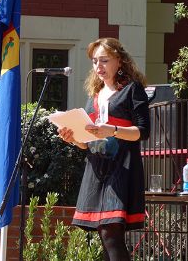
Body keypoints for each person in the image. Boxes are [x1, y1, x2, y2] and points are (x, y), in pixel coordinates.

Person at [58, 37, 150, 261]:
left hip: (122, 166)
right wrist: (73, 138)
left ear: (119, 61)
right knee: (104, 234)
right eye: (94, 61)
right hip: (97, 168)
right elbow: (87, 142)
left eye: (104, 60)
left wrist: (113, 130)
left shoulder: (132, 90)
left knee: (110, 232)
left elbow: (143, 131)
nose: (98, 66)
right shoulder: (95, 96)